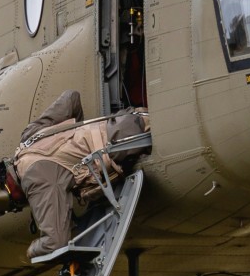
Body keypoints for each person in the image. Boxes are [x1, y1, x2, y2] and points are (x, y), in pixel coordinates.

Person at [11, 91, 149, 263]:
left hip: (127, 142)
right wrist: (83, 140)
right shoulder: (29, 137)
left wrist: (31, 251)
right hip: (131, 118)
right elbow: (71, 98)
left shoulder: (34, 178)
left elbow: (54, 243)